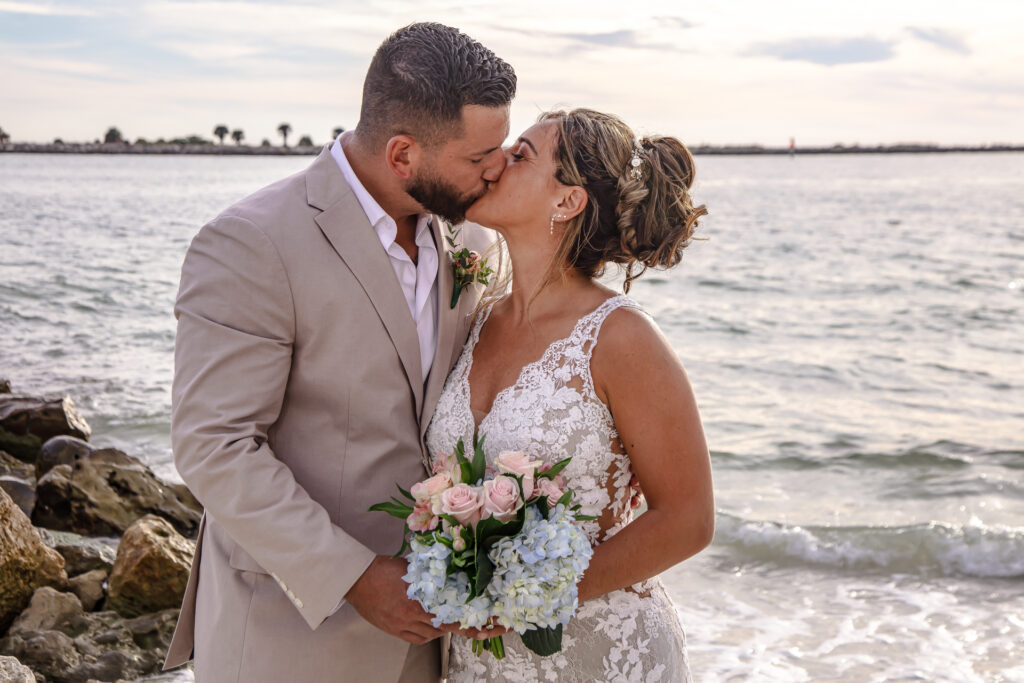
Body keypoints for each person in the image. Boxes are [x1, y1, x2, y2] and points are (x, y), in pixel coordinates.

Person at [162, 23, 515, 683]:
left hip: (437, 645)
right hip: (291, 631)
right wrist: (355, 576)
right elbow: (214, 445)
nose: (497, 169)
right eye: (480, 157)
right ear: (404, 154)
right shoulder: (251, 243)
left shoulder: (477, 242)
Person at [425, 108, 715, 681]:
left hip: (600, 652)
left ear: (568, 201)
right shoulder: (474, 315)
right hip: (480, 659)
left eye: (523, 154)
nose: (497, 161)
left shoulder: (622, 337)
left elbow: (688, 517)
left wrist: (527, 597)